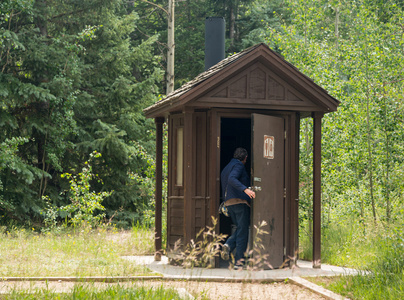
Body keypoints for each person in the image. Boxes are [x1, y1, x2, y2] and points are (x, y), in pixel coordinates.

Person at [220, 147, 255, 268]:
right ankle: (239, 263)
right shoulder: (239, 166)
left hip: (229, 204)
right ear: (245, 158)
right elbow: (232, 179)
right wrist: (245, 189)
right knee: (243, 232)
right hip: (239, 203)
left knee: (240, 229)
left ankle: (229, 245)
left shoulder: (226, 168)